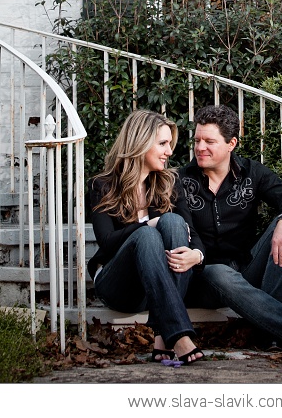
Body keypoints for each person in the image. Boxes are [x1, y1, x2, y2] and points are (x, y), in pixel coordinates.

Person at [177, 104, 282, 350]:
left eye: (209, 141)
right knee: (219, 272)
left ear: (231, 143)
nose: (200, 148)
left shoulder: (251, 172)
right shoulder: (182, 180)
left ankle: (272, 331)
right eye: (197, 140)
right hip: (203, 278)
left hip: (246, 269)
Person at [87, 109, 205, 365]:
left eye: (169, 144)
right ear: (140, 143)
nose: (169, 151)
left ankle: (164, 332)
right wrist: (147, 223)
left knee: (174, 221)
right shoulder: (102, 185)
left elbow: (191, 235)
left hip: (153, 287)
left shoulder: (170, 184)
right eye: (163, 143)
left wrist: (196, 255)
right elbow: (106, 242)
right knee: (147, 236)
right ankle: (180, 335)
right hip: (118, 284)